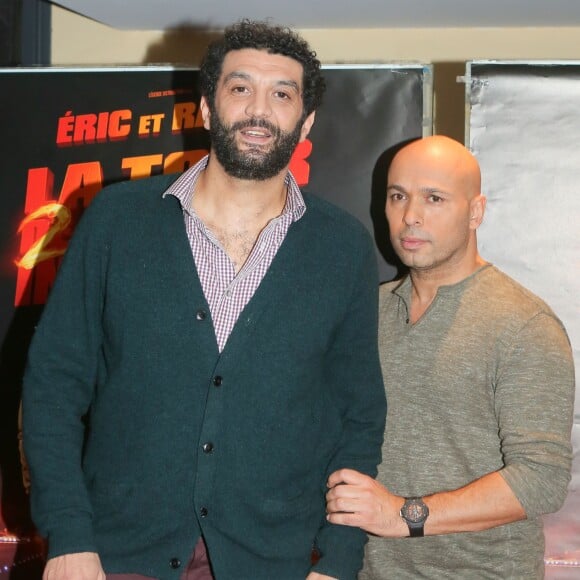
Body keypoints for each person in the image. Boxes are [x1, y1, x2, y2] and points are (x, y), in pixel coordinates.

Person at [22, 20, 387, 580]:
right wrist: (68, 534)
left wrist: (338, 558)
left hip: (275, 561)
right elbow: (54, 384)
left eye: (282, 94)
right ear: (207, 108)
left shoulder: (343, 248)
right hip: (117, 555)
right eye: (241, 88)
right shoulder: (117, 221)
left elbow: (358, 415)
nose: (259, 109)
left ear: (306, 120)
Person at [326, 135, 575, 579]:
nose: (410, 216)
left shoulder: (523, 323)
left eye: (434, 198)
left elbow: (541, 479)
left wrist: (404, 516)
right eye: (397, 196)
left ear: (475, 211)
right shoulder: (368, 311)